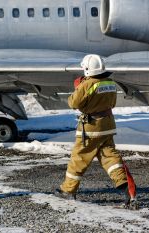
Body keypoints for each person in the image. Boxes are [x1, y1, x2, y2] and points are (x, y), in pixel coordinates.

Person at [56, 54, 137, 209]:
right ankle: (126, 187)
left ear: (87, 69)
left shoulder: (87, 84)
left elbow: (73, 103)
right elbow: (112, 103)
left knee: (78, 158)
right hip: (107, 125)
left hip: (91, 128)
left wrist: (79, 87)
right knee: (110, 158)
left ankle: (68, 190)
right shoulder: (110, 82)